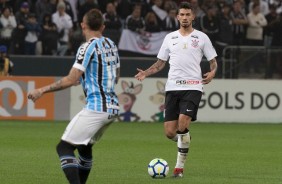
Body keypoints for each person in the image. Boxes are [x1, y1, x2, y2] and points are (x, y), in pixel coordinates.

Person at [27, 9, 120, 184]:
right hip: (113, 108)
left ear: (82, 25)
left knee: (64, 147)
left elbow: (71, 79)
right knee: (84, 148)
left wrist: (41, 91)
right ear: (103, 26)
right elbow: (116, 76)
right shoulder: (111, 45)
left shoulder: (86, 47)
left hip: (97, 107)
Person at [135, 2, 217, 178]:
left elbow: (213, 61)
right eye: (182, 15)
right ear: (177, 17)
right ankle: (184, 140)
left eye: (188, 14)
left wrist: (212, 73)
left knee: (183, 123)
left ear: (193, 16)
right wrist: (146, 73)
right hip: (172, 87)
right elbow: (160, 63)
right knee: (170, 132)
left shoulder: (202, 37)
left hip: (193, 86)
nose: (185, 17)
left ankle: (179, 168)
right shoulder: (170, 38)